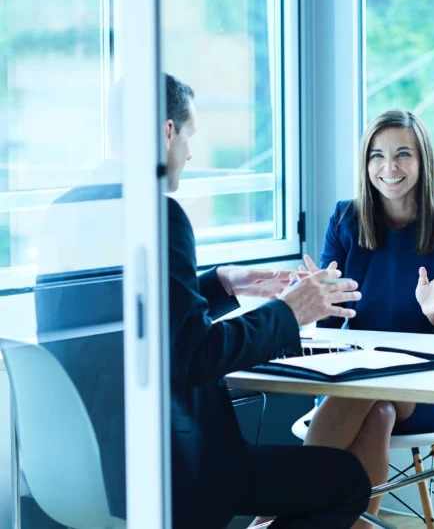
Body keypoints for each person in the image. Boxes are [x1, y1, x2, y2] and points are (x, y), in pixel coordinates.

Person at [36, 74, 371, 529]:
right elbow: (195, 355)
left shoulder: (66, 211)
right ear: (167, 131)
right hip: (173, 468)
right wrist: (290, 312)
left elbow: (140, 319)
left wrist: (221, 283)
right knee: (347, 480)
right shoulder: (156, 213)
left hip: (86, 468)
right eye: (189, 135)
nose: (190, 153)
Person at [302, 109, 434, 524]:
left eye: (403, 154)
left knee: (369, 387)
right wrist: (319, 300)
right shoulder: (346, 219)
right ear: (365, 164)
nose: (389, 167)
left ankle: (291, 510)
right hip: (359, 381)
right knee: (377, 406)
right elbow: (330, 326)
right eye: (376, 156)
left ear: (423, 161)